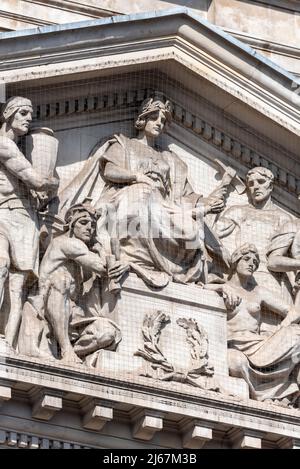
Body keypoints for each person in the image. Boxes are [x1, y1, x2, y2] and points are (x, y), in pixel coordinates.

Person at [89, 94, 226, 287]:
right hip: (131, 194)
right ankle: (135, 260)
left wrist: (208, 204)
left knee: (191, 229)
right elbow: (110, 170)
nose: (159, 123)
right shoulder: (124, 144)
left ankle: (172, 268)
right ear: (142, 119)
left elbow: (186, 194)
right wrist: (137, 177)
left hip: (163, 204)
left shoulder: (169, 158)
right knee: (141, 200)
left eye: (163, 120)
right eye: (154, 118)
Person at [20, 201, 127, 364]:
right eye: (83, 223)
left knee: (108, 333)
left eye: (92, 225)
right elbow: (102, 267)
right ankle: (66, 350)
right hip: (45, 305)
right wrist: (117, 258)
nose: (89, 228)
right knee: (60, 280)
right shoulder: (66, 242)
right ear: (70, 225)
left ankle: (68, 351)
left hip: (72, 314)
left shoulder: (82, 251)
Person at [205, 243, 300, 407]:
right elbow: (195, 288)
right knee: (235, 362)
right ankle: (261, 396)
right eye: (247, 259)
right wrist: (221, 288)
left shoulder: (258, 291)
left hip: (258, 345)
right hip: (234, 344)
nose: (251, 264)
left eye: (255, 262)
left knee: (296, 334)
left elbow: (293, 312)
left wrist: (280, 329)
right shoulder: (220, 284)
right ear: (235, 261)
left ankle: (274, 391)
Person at [0, 96, 58, 347]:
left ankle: (7, 345)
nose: (28, 118)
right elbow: (33, 178)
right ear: (8, 115)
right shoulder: (3, 144)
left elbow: (32, 187)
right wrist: (51, 183)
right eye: (23, 113)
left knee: (18, 286)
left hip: (25, 219)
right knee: (1, 265)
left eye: (30, 114)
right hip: (3, 215)